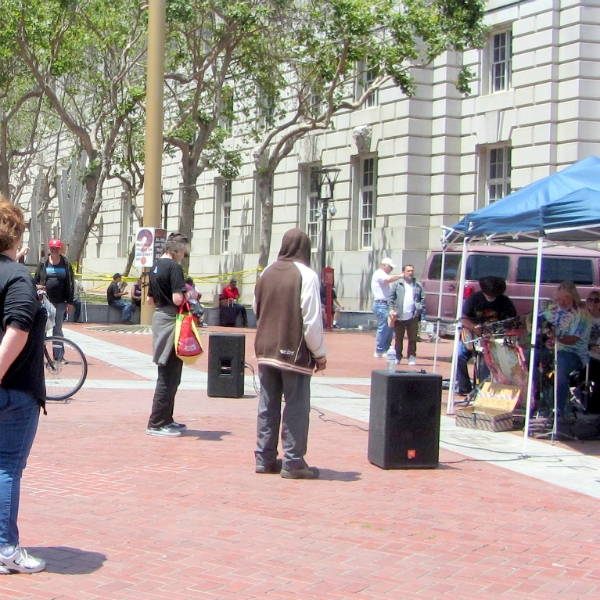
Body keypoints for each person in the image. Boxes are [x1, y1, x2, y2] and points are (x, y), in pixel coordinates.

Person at [253, 229, 326, 479]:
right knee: (295, 405)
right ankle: (293, 461)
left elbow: (256, 307)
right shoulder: (307, 275)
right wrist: (320, 354)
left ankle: (264, 457)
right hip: (293, 351)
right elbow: (312, 320)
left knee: (267, 404)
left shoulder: (267, 272)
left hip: (265, 348)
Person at [0, 199, 47, 574]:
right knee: (7, 467)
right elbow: (19, 324)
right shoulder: (17, 276)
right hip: (13, 390)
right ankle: (5, 546)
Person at [146, 233, 199, 437]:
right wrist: (190, 294)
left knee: (168, 371)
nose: (183, 257)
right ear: (177, 250)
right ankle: (157, 422)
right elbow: (178, 299)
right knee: (169, 373)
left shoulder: (157, 266)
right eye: (184, 253)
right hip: (171, 319)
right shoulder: (174, 268)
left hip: (159, 316)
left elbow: (150, 300)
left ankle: (166, 418)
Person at [457, 276, 517, 395]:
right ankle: (464, 387)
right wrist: (474, 328)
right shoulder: (474, 299)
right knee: (459, 356)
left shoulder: (505, 301)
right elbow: (463, 318)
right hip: (474, 334)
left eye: (494, 294)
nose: (492, 295)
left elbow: (512, 321)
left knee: (488, 360)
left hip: (494, 338)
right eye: (489, 293)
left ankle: (484, 389)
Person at [540, 281, 590, 417]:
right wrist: (531, 324)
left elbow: (573, 339)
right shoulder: (553, 309)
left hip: (573, 354)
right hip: (550, 350)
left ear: (574, 298)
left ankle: (557, 411)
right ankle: (532, 403)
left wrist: (555, 338)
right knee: (526, 357)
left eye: (566, 299)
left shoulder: (581, 314)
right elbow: (533, 318)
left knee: (560, 367)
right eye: (559, 299)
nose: (562, 302)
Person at [34, 238, 75, 348]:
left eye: (56, 248)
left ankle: (58, 357)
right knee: (43, 328)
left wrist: (70, 302)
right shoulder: (43, 262)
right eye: (52, 248)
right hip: (45, 301)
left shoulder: (65, 263)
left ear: (60, 249)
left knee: (57, 329)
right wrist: (38, 289)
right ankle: (40, 356)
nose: (54, 250)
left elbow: (71, 283)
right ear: (49, 248)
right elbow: (36, 280)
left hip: (61, 302)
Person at [387, 264, 425, 366]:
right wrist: (391, 310)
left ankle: (411, 356)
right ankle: (398, 356)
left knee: (412, 338)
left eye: (412, 271)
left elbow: (422, 298)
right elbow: (390, 299)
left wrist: (420, 308)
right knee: (398, 338)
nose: (410, 273)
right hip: (399, 316)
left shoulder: (417, 284)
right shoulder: (397, 284)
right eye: (408, 271)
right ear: (403, 272)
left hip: (413, 316)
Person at [371, 258, 403, 358]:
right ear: (384, 265)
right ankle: (379, 349)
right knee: (384, 327)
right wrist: (400, 275)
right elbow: (387, 280)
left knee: (389, 327)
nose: (391, 269)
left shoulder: (383, 274)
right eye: (390, 267)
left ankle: (386, 347)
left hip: (386, 304)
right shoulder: (379, 273)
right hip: (381, 304)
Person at [585, 290, 600, 414]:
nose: (593, 303)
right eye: (590, 300)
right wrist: (592, 347)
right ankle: (593, 406)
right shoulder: (582, 318)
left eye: (597, 300)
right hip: (585, 356)